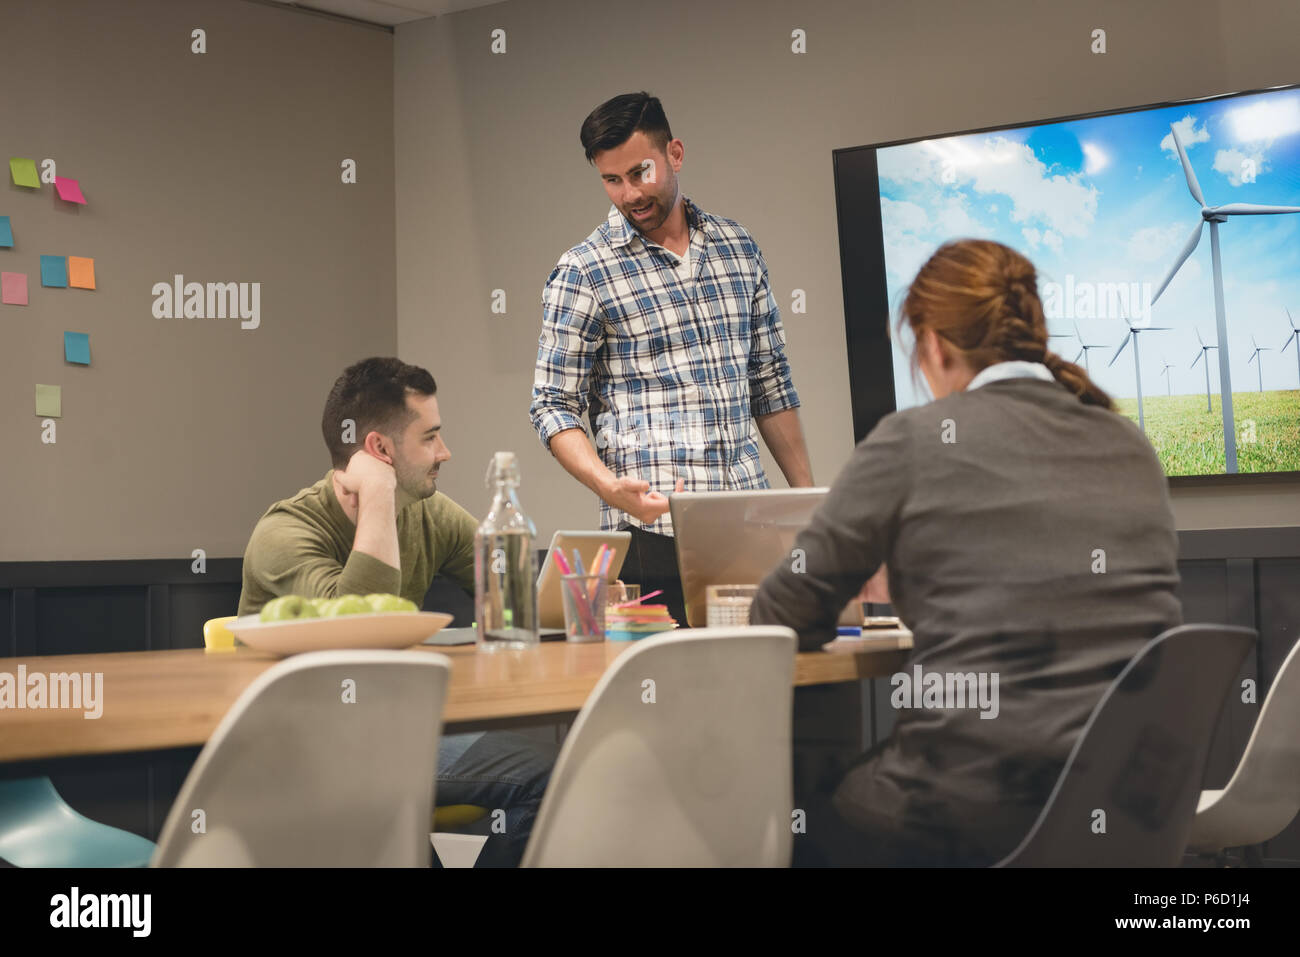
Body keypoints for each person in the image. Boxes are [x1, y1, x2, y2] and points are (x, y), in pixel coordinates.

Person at [748, 239, 1183, 866]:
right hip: (1131, 808)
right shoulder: (1129, 444)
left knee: (795, 813)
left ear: (933, 346)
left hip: (971, 814)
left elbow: (780, 613)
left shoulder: (912, 441)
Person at [238, 357, 556, 867]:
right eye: (429, 438)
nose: (445, 453)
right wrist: (379, 492)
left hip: (393, 732)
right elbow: (357, 630)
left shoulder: (428, 513)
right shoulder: (283, 535)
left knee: (551, 778)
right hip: (302, 749)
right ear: (379, 451)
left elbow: (509, 594)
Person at [529, 91, 814, 625]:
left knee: (765, 687)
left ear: (674, 154)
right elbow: (552, 406)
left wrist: (807, 505)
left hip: (749, 525)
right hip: (650, 538)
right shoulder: (583, 271)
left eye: (640, 172)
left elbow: (770, 383)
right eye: (612, 180)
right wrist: (607, 486)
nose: (629, 193)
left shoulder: (738, 247)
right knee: (676, 698)